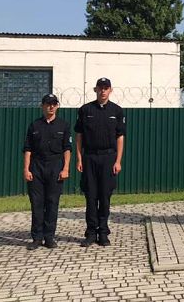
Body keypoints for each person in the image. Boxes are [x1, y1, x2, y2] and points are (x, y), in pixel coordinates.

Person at [75, 77, 125, 247]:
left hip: (108, 158)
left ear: (111, 90)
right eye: (100, 88)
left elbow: (120, 137)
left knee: (104, 197)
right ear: (95, 90)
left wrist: (118, 160)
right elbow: (79, 136)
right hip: (89, 157)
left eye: (106, 88)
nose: (103, 91)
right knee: (90, 196)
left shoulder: (117, 111)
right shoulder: (85, 109)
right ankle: (90, 233)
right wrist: (79, 158)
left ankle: (103, 232)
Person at [23, 94, 71, 250]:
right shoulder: (34, 125)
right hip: (37, 167)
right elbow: (28, 149)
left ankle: (49, 237)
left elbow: (67, 149)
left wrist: (65, 168)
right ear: (42, 106)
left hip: (55, 166)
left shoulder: (63, 125)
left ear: (57, 106)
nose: (51, 106)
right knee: (37, 203)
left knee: (52, 202)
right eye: (48, 104)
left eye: (54, 104)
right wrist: (26, 169)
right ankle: (37, 237)